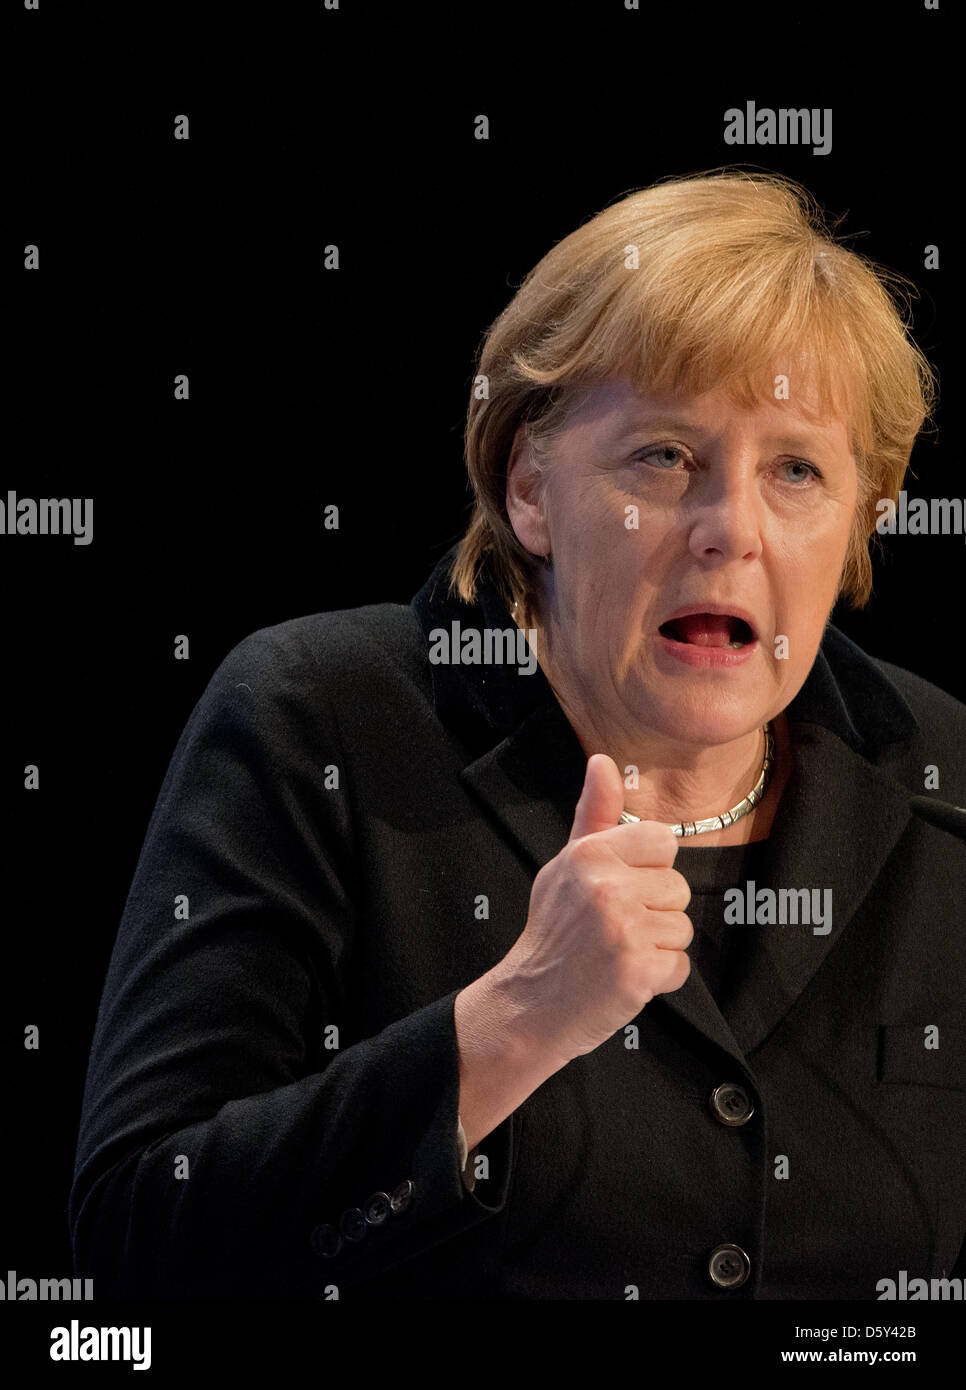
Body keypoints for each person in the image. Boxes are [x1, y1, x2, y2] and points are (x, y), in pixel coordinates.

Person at [69, 170, 966, 1300]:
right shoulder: (326, 719)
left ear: (857, 521)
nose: (730, 529)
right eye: (665, 458)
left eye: (796, 469)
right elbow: (137, 1241)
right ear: (531, 488)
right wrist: (513, 1020)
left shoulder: (941, 777)